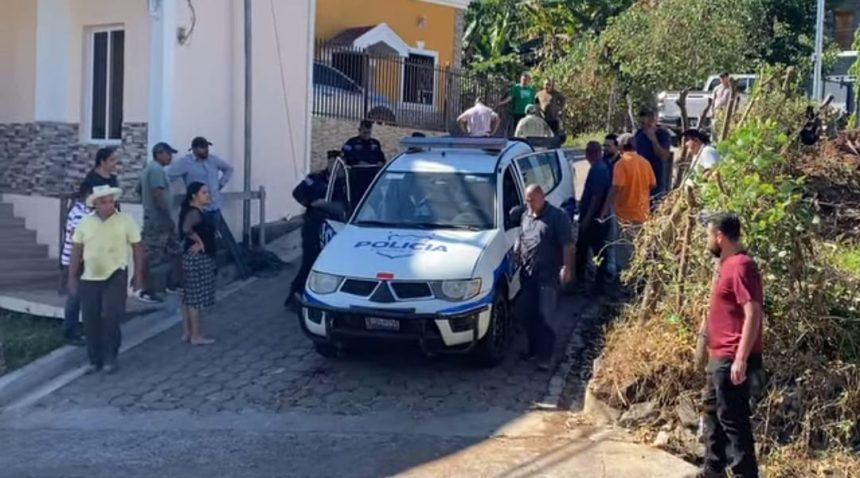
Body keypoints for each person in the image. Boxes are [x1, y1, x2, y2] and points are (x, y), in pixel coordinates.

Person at [694, 213, 763, 478]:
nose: (707, 241)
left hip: (732, 357)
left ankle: (746, 474)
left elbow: (753, 312)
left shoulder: (741, 266)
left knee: (733, 421)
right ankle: (713, 470)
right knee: (713, 413)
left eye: (709, 236)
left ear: (720, 236)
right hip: (719, 356)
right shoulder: (728, 264)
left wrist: (741, 359)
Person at [67, 185, 145, 374]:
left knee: (110, 315)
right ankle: (95, 360)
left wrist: (139, 274)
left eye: (111, 201)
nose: (108, 205)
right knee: (90, 318)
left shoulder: (125, 221)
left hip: (115, 274)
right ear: (95, 204)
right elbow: (76, 251)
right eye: (103, 202)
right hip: (90, 276)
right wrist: (72, 276)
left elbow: (137, 247)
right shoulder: (85, 223)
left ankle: (110, 356)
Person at [167, 136, 248, 277]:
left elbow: (228, 169)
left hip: (214, 206)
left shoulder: (213, 160)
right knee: (194, 239)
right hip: (197, 209)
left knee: (211, 239)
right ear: (194, 149)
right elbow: (168, 175)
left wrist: (220, 185)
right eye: (202, 147)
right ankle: (192, 272)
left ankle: (210, 268)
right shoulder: (185, 163)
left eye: (207, 147)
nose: (206, 150)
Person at [515, 184, 575, 371]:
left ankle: (546, 357)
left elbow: (568, 245)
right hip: (528, 274)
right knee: (527, 314)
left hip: (548, 275)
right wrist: (517, 249)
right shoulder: (526, 215)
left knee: (545, 316)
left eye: (532, 200)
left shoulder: (557, 217)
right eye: (527, 200)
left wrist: (567, 267)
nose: (529, 204)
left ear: (542, 197)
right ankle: (532, 351)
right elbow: (523, 235)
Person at [285, 150, 338, 309]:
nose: (334, 165)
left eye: (337, 163)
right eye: (332, 161)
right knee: (309, 261)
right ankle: (295, 294)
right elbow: (297, 192)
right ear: (327, 162)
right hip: (313, 225)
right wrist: (310, 203)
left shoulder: (341, 182)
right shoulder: (315, 178)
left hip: (332, 227)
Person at [600, 133, 656, 271]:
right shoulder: (645, 162)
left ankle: (626, 287)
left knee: (624, 253)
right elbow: (652, 184)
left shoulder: (621, 164)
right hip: (643, 213)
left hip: (625, 216)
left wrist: (605, 210)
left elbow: (615, 188)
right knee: (639, 250)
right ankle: (638, 283)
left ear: (620, 147)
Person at [137, 142, 183, 304]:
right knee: (152, 255)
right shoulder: (156, 170)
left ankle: (173, 283)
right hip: (158, 221)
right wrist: (165, 216)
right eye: (168, 154)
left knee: (174, 250)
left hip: (158, 218)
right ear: (159, 153)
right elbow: (158, 195)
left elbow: (138, 190)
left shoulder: (150, 168)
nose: (170, 157)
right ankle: (146, 290)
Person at [178, 182, 217, 345]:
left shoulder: (196, 211)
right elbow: (186, 229)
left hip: (194, 258)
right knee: (195, 298)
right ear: (194, 196)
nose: (207, 195)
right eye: (203, 193)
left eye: (207, 192)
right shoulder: (194, 212)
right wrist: (199, 241)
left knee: (189, 298)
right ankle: (196, 335)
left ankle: (187, 332)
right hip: (197, 259)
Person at [575, 142, 612, 294]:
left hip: (594, 219)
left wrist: (586, 219)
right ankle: (593, 283)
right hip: (598, 217)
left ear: (590, 153)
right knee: (592, 251)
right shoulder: (600, 167)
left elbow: (596, 198)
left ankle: (591, 285)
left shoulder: (598, 170)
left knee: (590, 250)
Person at [59, 182, 92, 346]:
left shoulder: (88, 211)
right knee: (75, 297)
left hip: (84, 260)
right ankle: (71, 332)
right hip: (75, 260)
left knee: (83, 297)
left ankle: (83, 330)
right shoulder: (79, 213)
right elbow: (78, 240)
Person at [634, 108, 672, 199]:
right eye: (641, 123)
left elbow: (664, 156)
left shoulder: (663, 134)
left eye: (645, 124)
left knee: (655, 204)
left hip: (656, 177)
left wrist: (653, 139)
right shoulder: (639, 134)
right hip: (641, 177)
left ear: (653, 121)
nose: (643, 127)